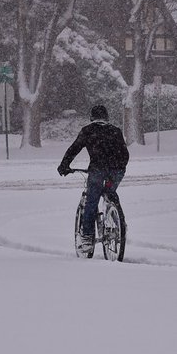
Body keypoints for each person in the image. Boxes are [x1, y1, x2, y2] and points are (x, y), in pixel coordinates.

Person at [57, 104, 130, 256]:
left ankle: (87, 238)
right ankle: (118, 221)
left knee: (91, 201)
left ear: (91, 118)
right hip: (117, 170)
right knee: (110, 192)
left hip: (98, 170)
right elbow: (125, 153)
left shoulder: (88, 131)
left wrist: (64, 165)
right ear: (107, 117)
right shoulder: (115, 131)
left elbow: (74, 149)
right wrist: (119, 167)